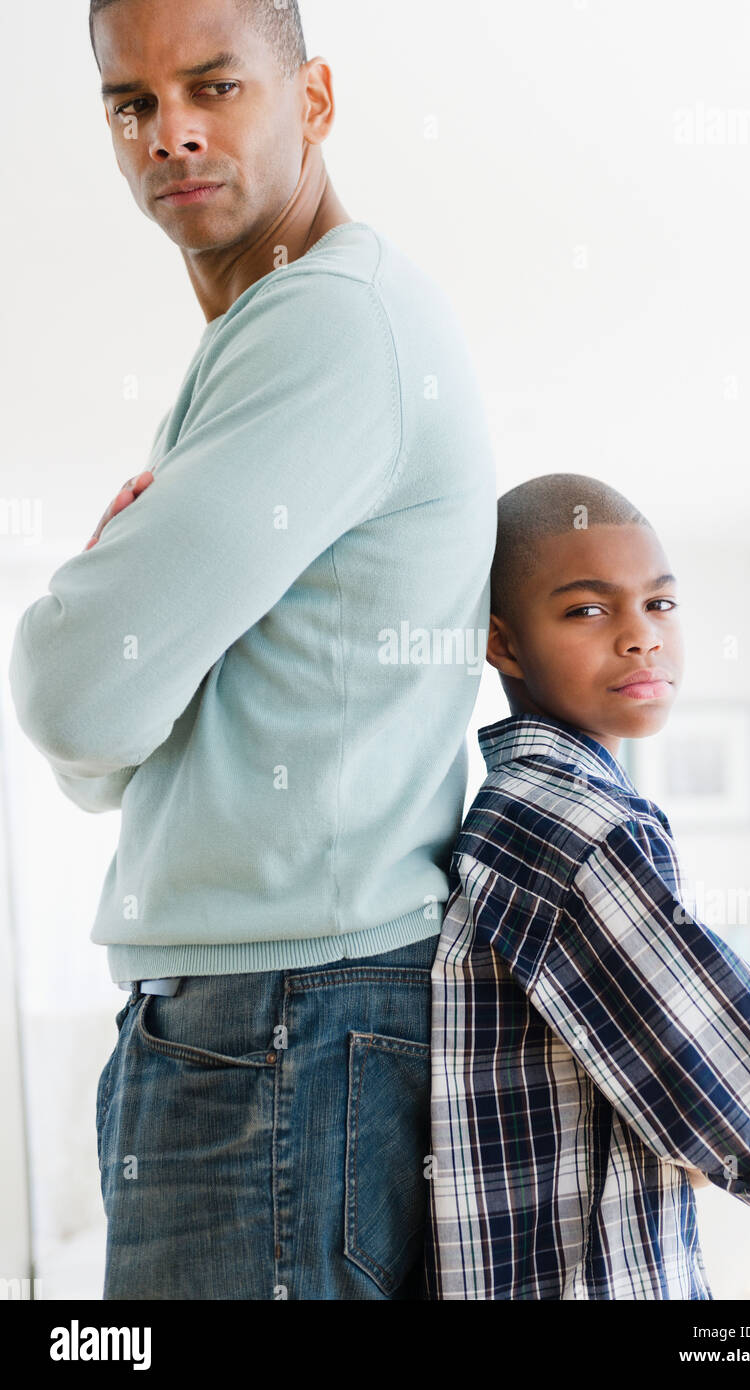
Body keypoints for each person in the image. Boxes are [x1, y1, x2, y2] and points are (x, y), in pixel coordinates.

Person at [8, 0, 496, 1299]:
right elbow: (91, 736)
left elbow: (70, 687)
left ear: (315, 101)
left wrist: (103, 635)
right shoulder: (256, 342)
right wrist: (110, 692)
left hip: (281, 1024)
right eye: (133, 103)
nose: (170, 131)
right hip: (272, 1025)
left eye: (215, 85)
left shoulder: (326, 325)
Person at [424, 473, 750, 1300]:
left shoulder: (523, 808)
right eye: (587, 610)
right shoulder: (576, 827)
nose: (641, 637)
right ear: (504, 645)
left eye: (661, 604)